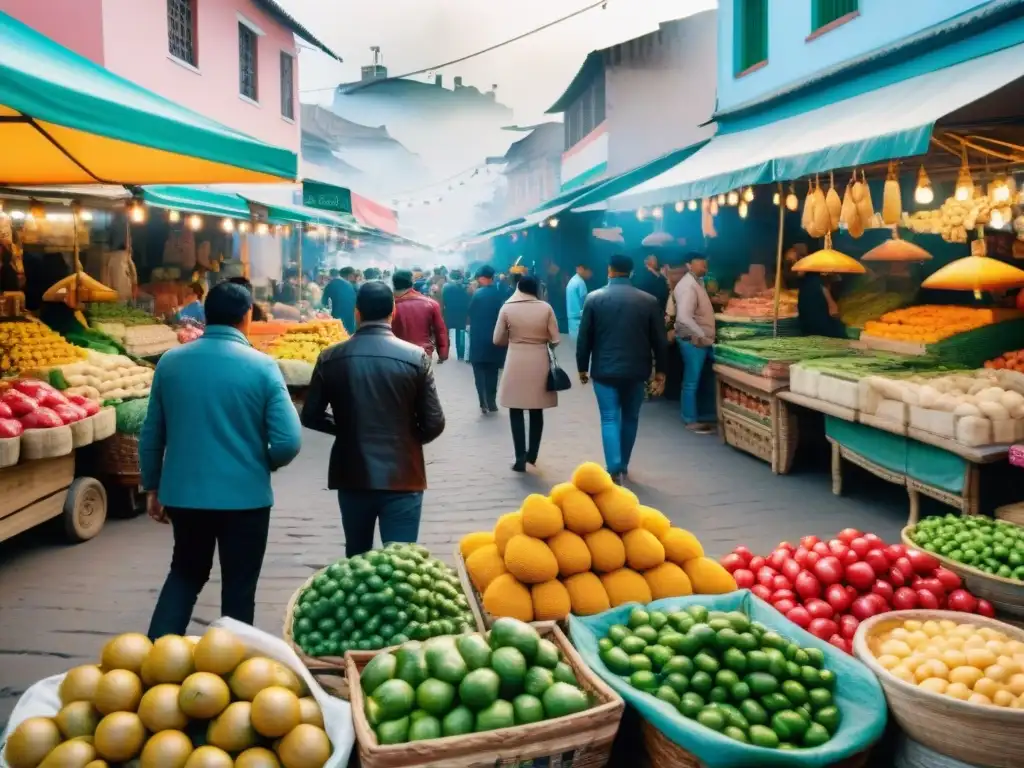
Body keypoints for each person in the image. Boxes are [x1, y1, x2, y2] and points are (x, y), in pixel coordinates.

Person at [142, 282, 302, 639]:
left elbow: (152, 432)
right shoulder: (263, 367)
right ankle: (235, 670)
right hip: (246, 499)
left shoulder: (171, 362)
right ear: (247, 316)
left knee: (185, 572)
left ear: (205, 314)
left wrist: (152, 485)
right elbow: (289, 441)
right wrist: (264, 461)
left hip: (184, 495)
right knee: (239, 586)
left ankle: (154, 658)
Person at [301, 282, 445, 556]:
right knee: (402, 562)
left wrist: (346, 430)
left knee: (357, 560)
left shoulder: (331, 357)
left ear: (357, 313)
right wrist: (406, 439)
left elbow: (310, 415)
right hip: (403, 474)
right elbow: (434, 422)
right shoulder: (416, 357)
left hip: (352, 471)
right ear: (394, 311)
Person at [576, 254, 667, 484]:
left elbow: (584, 337)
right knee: (631, 417)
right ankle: (624, 463)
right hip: (637, 370)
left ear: (609, 270)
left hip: (604, 370)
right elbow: (660, 340)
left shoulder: (593, 299)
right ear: (631, 271)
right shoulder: (648, 301)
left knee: (608, 417)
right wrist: (661, 371)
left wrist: (581, 367)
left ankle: (613, 465)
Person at [493, 274, 560, 472]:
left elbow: (497, 339)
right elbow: (555, 339)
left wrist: (514, 341)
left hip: (515, 358)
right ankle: (533, 454)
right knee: (536, 408)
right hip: (539, 359)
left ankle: (519, 456)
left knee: (516, 408)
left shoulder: (507, 307)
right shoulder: (545, 308)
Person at [674, 252, 717, 434]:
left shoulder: (696, 282)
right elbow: (684, 316)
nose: (704, 267)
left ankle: (704, 414)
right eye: (700, 264)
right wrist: (702, 334)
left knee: (703, 378)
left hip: (701, 340)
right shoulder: (689, 285)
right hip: (693, 340)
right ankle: (690, 419)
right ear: (689, 265)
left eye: (705, 264)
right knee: (691, 381)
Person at [467, 265, 507, 414]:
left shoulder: (477, 294)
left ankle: (482, 402)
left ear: (483, 278)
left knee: (479, 372)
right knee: (492, 372)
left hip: (478, 339)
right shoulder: (499, 294)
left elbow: (470, 312)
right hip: (495, 339)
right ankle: (492, 402)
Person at [392, 269, 449, 362]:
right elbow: (440, 330)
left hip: (394, 354)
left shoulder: (387, 304)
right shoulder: (430, 304)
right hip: (422, 353)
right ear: (412, 282)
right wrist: (442, 352)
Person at [798, 272, 847, 338]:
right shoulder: (820, 285)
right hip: (822, 325)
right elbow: (833, 309)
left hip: (807, 324)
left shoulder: (805, 284)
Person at [441, 269, 471, 361]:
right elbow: (468, 301)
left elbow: (444, 300)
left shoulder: (446, 287)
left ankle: (444, 353)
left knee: (445, 333)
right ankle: (460, 355)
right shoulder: (466, 287)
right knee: (460, 333)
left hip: (449, 312)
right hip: (462, 313)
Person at [322, 267, 357, 334]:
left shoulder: (331, 285)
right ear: (350, 275)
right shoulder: (350, 286)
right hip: (349, 321)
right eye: (354, 275)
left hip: (335, 322)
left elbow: (323, 302)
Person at [565, 263, 591, 339]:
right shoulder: (580, 282)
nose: (590, 274)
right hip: (579, 320)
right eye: (589, 271)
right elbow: (585, 302)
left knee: (574, 346)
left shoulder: (572, 281)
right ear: (582, 269)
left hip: (571, 319)